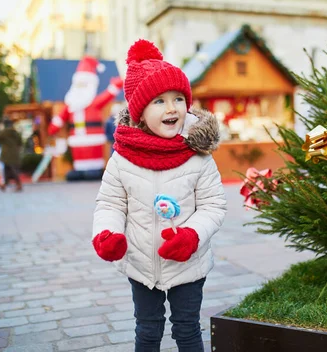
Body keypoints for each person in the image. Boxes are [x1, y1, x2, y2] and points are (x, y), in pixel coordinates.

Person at [92, 39, 226, 352]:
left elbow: (213, 205)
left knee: (187, 328)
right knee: (148, 329)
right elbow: (110, 203)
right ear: (138, 113)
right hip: (140, 261)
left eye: (178, 98)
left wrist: (192, 235)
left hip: (187, 262)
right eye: (159, 101)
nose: (171, 108)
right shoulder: (122, 158)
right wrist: (107, 233)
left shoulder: (198, 155)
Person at [0, 118, 23, 192]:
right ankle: (5, 184)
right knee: (9, 170)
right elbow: (20, 142)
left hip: (6, 154)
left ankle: (18, 184)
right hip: (14, 153)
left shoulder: (3, 132)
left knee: (10, 170)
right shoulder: (15, 132)